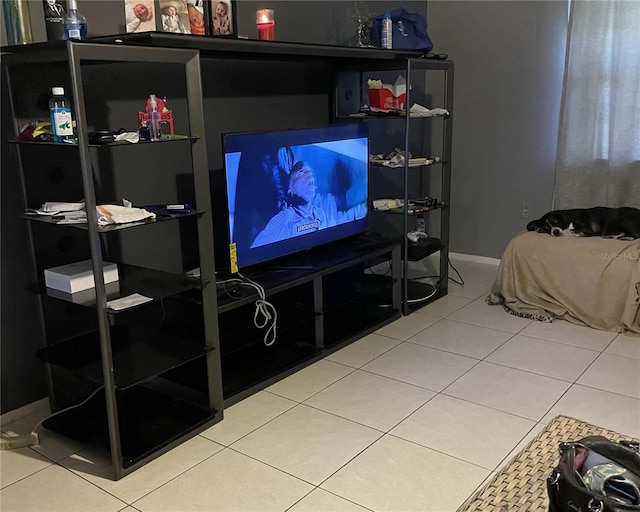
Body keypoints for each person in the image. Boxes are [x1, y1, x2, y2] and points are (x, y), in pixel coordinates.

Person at [251, 160, 326, 248]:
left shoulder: (320, 214)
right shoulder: (284, 218)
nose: (310, 174)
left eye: (311, 172)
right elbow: (257, 248)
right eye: (302, 171)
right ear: (290, 190)